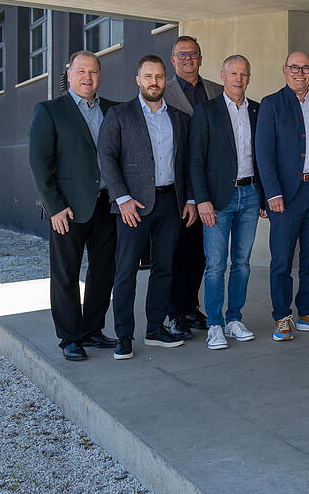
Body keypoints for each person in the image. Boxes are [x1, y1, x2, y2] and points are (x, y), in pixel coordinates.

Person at [98, 55, 197, 360]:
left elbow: (188, 163)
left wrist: (191, 198)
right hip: (133, 205)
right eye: (148, 76)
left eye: (159, 77)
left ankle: (155, 328)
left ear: (165, 80)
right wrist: (122, 198)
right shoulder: (119, 114)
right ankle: (124, 336)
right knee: (126, 271)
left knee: (164, 267)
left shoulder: (180, 119)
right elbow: (107, 157)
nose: (154, 82)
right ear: (137, 80)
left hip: (171, 202)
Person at [28, 50, 118, 362]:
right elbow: (40, 163)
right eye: (81, 71)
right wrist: (54, 207)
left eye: (92, 72)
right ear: (69, 74)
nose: (87, 77)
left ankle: (92, 330)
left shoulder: (113, 110)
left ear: (98, 75)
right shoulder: (50, 111)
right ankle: (70, 337)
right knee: (65, 274)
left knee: (103, 272)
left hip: (108, 205)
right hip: (68, 209)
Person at [255, 50, 309, 341]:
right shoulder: (271, 104)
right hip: (286, 194)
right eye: (294, 67)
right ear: (284, 70)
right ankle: (282, 316)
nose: (300, 72)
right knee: (282, 259)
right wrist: (272, 193)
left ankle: (307, 312)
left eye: (305, 68)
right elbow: (264, 154)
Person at [189, 55, 264, 350]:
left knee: (242, 263)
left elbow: (264, 157)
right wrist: (202, 199)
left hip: (250, 194)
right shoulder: (206, 111)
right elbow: (195, 160)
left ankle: (234, 319)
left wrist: (264, 196)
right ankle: (215, 325)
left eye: (243, 74)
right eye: (233, 73)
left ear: (248, 78)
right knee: (216, 265)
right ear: (222, 76)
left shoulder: (257, 110)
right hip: (218, 199)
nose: (238, 79)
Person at [162, 35, 224, 337]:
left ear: (200, 58)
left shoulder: (215, 90)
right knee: (179, 251)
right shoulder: (164, 90)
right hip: (179, 183)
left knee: (203, 252)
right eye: (181, 54)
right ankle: (174, 312)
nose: (188, 58)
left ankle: (190, 306)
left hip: (212, 185)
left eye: (193, 53)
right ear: (173, 60)